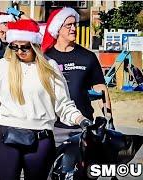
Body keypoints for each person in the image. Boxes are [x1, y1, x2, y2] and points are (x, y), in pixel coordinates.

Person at [0, 19, 93, 180]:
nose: (19, 51)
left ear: (35, 45)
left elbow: (63, 104)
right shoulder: (3, 66)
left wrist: (81, 120)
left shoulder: (50, 66)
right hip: (8, 138)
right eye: (14, 46)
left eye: (25, 47)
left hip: (41, 139)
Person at [41, 7, 113, 146]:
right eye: (69, 25)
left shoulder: (88, 57)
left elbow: (100, 88)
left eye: (75, 24)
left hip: (81, 126)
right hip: (52, 127)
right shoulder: (45, 58)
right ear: (58, 28)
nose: (73, 28)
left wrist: (109, 118)